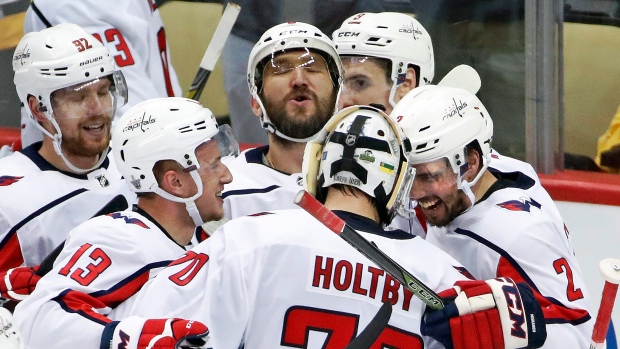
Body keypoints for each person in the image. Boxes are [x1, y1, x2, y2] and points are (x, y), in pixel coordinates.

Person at [110, 105, 546, 349]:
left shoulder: (249, 240)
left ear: (316, 170)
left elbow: (138, 331)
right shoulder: (442, 279)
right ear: (397, 184)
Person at [13, 96, 238, 349]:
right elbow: (38, 319)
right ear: (174, 182)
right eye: (214, 165)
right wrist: (133, 336)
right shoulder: (119, 238)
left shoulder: (206, 237)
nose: (227, 176)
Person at [392, 85, 593, 347]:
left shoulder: (515, 235)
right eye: (408, 174)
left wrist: (507, 324)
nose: (414, 193)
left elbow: (577, 333)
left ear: (471, 163)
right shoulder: (496, 166)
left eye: (429, 176)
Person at [332, 12, 540, 236]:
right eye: (339, 83)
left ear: (406, 83)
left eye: (360, 83)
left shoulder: (481, 177)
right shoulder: (334, 160)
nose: (343, 101)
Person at [0, 23, 135, 308]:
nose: (97, 108)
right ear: (39, 109)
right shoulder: (10, 201)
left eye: (102, 91)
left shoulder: (140, 158)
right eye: (78, 98)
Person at [220, 21, 343, 221]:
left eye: (312, 68)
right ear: (256, 103)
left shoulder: (375, 181)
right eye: (281, 70)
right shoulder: (225, 188)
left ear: (339, 94)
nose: (299, 79)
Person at [19, 0, 182, 147]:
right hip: (159, 143)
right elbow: (135, 125)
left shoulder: (65, 6)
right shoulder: (70, 6)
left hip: (142, 154)